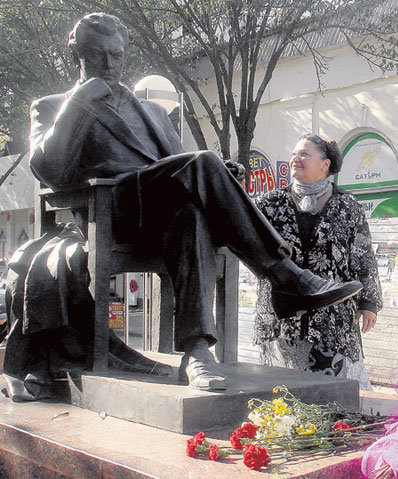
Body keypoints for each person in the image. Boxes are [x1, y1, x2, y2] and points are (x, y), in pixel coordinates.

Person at [25, 13, 362, 394]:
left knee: (192, 215)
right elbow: (48, 168)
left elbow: (179, 164)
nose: (108, 64)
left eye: (116, 56)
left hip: (160, 213)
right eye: (98, 55)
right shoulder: (53, 105)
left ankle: (198, 351)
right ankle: (285, 277)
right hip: (111, 211)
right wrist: (81, 100)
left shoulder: (150, 112)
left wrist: (219, 171)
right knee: (204, 163)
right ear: (78, 57)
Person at [254, 134, 382, 390]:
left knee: (329, 393)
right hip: (280, 314)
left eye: (304, 154)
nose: (295, 159)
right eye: (293, 154)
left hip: (331, 316)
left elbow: (363, 256)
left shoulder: (348, 206)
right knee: (281, 394)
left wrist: (369, 302)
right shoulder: (268, 204)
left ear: (325, 165)